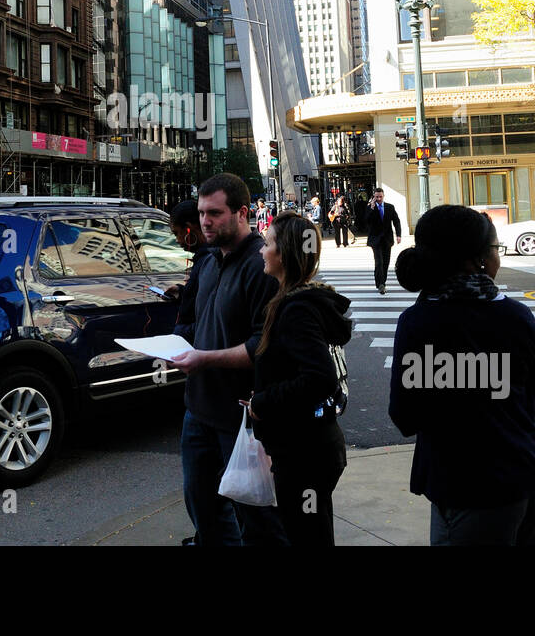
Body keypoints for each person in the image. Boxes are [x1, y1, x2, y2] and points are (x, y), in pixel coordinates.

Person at [389, 205, 535, 546]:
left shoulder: (419, 323)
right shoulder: (518, 318)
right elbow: (530, 406)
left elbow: (404, 416)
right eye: (496, 249)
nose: (498, 257)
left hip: (466, 489)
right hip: (528, 478)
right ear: (478, 259)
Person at [170, 173, 287, 546]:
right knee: (203, 509)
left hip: (243, 419)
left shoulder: (261, 266)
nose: (205, 221)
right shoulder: (206, 263)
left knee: (257, 518)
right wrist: (170, 345)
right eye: (202, 213)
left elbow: (262, 346)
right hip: (198, 410)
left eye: (215, 213)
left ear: (242, 213)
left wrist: (203, 358)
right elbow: (198, 324)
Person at [244, 212, 351, 545]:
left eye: (268, 243)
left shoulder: (297, 310)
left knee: (308, 536)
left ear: (285, 254)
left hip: (305, 454)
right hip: (311, 447)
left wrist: (263, 403)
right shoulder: (302, 303)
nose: (262, 250)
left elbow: (320, 378)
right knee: (312, 532)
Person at [167, 201, 215, 339]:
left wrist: (181, 334)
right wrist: (182, 292)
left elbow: (207, 314)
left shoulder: (209, 261)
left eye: (176, 233)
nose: (177, 240)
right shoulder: (205, 258)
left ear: (189, 228)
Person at [366, 187, 402, 294]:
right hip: (375, 240)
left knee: (386, 263)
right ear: (374, 197)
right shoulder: (370, 208)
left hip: (387, 239)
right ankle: (380, 284)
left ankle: (383, 282)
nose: (379, 198)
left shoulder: (390, 207)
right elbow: (366, 221)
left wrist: (399, 235)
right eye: (376, 197)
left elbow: (396, 221)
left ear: (383, 196)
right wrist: (371, 208)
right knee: (379, 262)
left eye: (380, 196)